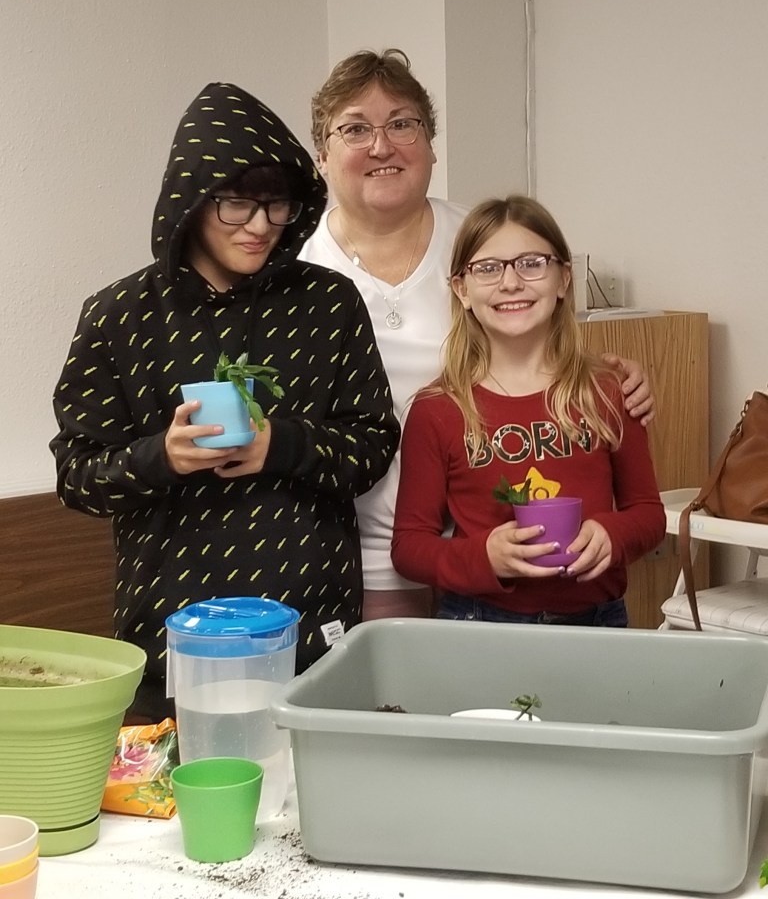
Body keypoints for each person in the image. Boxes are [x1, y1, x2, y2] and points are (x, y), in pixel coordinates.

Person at [50, 82, 400, 720]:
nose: (261, 226)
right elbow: (77, 475)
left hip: (311, 621)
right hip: (171, 633)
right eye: (238, 205)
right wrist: (165, 457)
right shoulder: (120, 316)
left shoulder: (329, 303)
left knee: (318, 804)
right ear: (191, 200)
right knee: (181, 805)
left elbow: (373, 445)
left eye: (279, 207)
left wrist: (280, 445)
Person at [299, 48, 655, 620]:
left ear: (432, 145)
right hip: (351, 552)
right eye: (355, 129)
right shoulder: (294, 275)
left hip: (508, 556)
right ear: (322, 154)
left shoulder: (484, 239)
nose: (381, 145)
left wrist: (614, 376)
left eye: (402, 123)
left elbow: (540, 346)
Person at [391, 195, 666, 626]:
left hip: (597, 623)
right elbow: (409, 547)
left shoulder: (611, 392)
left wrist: (614, 536)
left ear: (563, 280)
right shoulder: (437, 410)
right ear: (462, 290)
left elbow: (648, 514)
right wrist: (484, 556)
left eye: (532, 263)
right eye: (488, 268)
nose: (511, 283)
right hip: (479, 622)